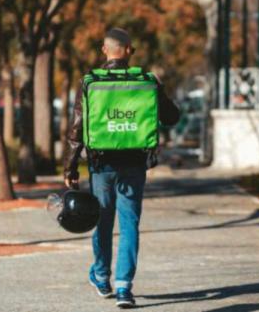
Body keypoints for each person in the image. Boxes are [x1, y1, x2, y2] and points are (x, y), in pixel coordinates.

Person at [63, 28, 180, 308]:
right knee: (129, 224)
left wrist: (70, 167)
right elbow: (172, 117)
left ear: (105, 50)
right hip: (135, 164)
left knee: (102, 220)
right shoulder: (147, 81)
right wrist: (154, 98)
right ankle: (125, 288)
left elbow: (77, 129)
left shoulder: (90, 82)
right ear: (129, 50)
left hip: (101, 163)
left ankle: (102, 277)